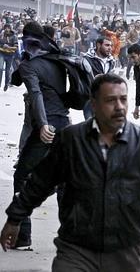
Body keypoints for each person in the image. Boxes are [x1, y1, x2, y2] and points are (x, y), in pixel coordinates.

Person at [0, 74, 140, 271]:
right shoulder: (72, 140)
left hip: (126, 250)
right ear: (93, 104)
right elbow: (39, 183)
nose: (119, 106)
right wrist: (15, 218)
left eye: (123, 99)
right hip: (76, 249)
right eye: (111, 100)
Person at [8, 21, 70, 248]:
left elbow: (36, 94)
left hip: (48, 127)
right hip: (64, 124)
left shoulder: (30, 65)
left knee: (21, 177)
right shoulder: (56, 60)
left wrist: (43, 125)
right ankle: (69, 236)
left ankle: (22, 235)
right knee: (64, 181)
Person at [83, 36, 115, 119]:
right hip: (91, 99)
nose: (110, 48)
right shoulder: (86, 59)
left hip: (107, 99)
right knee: (91, 127)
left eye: (111, 46)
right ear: (98, 45)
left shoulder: (112, 61)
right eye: (107, 45)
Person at [0, 24, 18, 91]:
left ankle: (6, 84)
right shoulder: (1, 35)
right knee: (0, 68)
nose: (7, 29)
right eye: (5, 28)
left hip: (10, 55)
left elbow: (16, 47)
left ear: (10, 29)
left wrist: (9, 47)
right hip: (1, 53)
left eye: (8, 28)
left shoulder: (14, 36)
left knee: (7, 71)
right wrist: (2, 46)